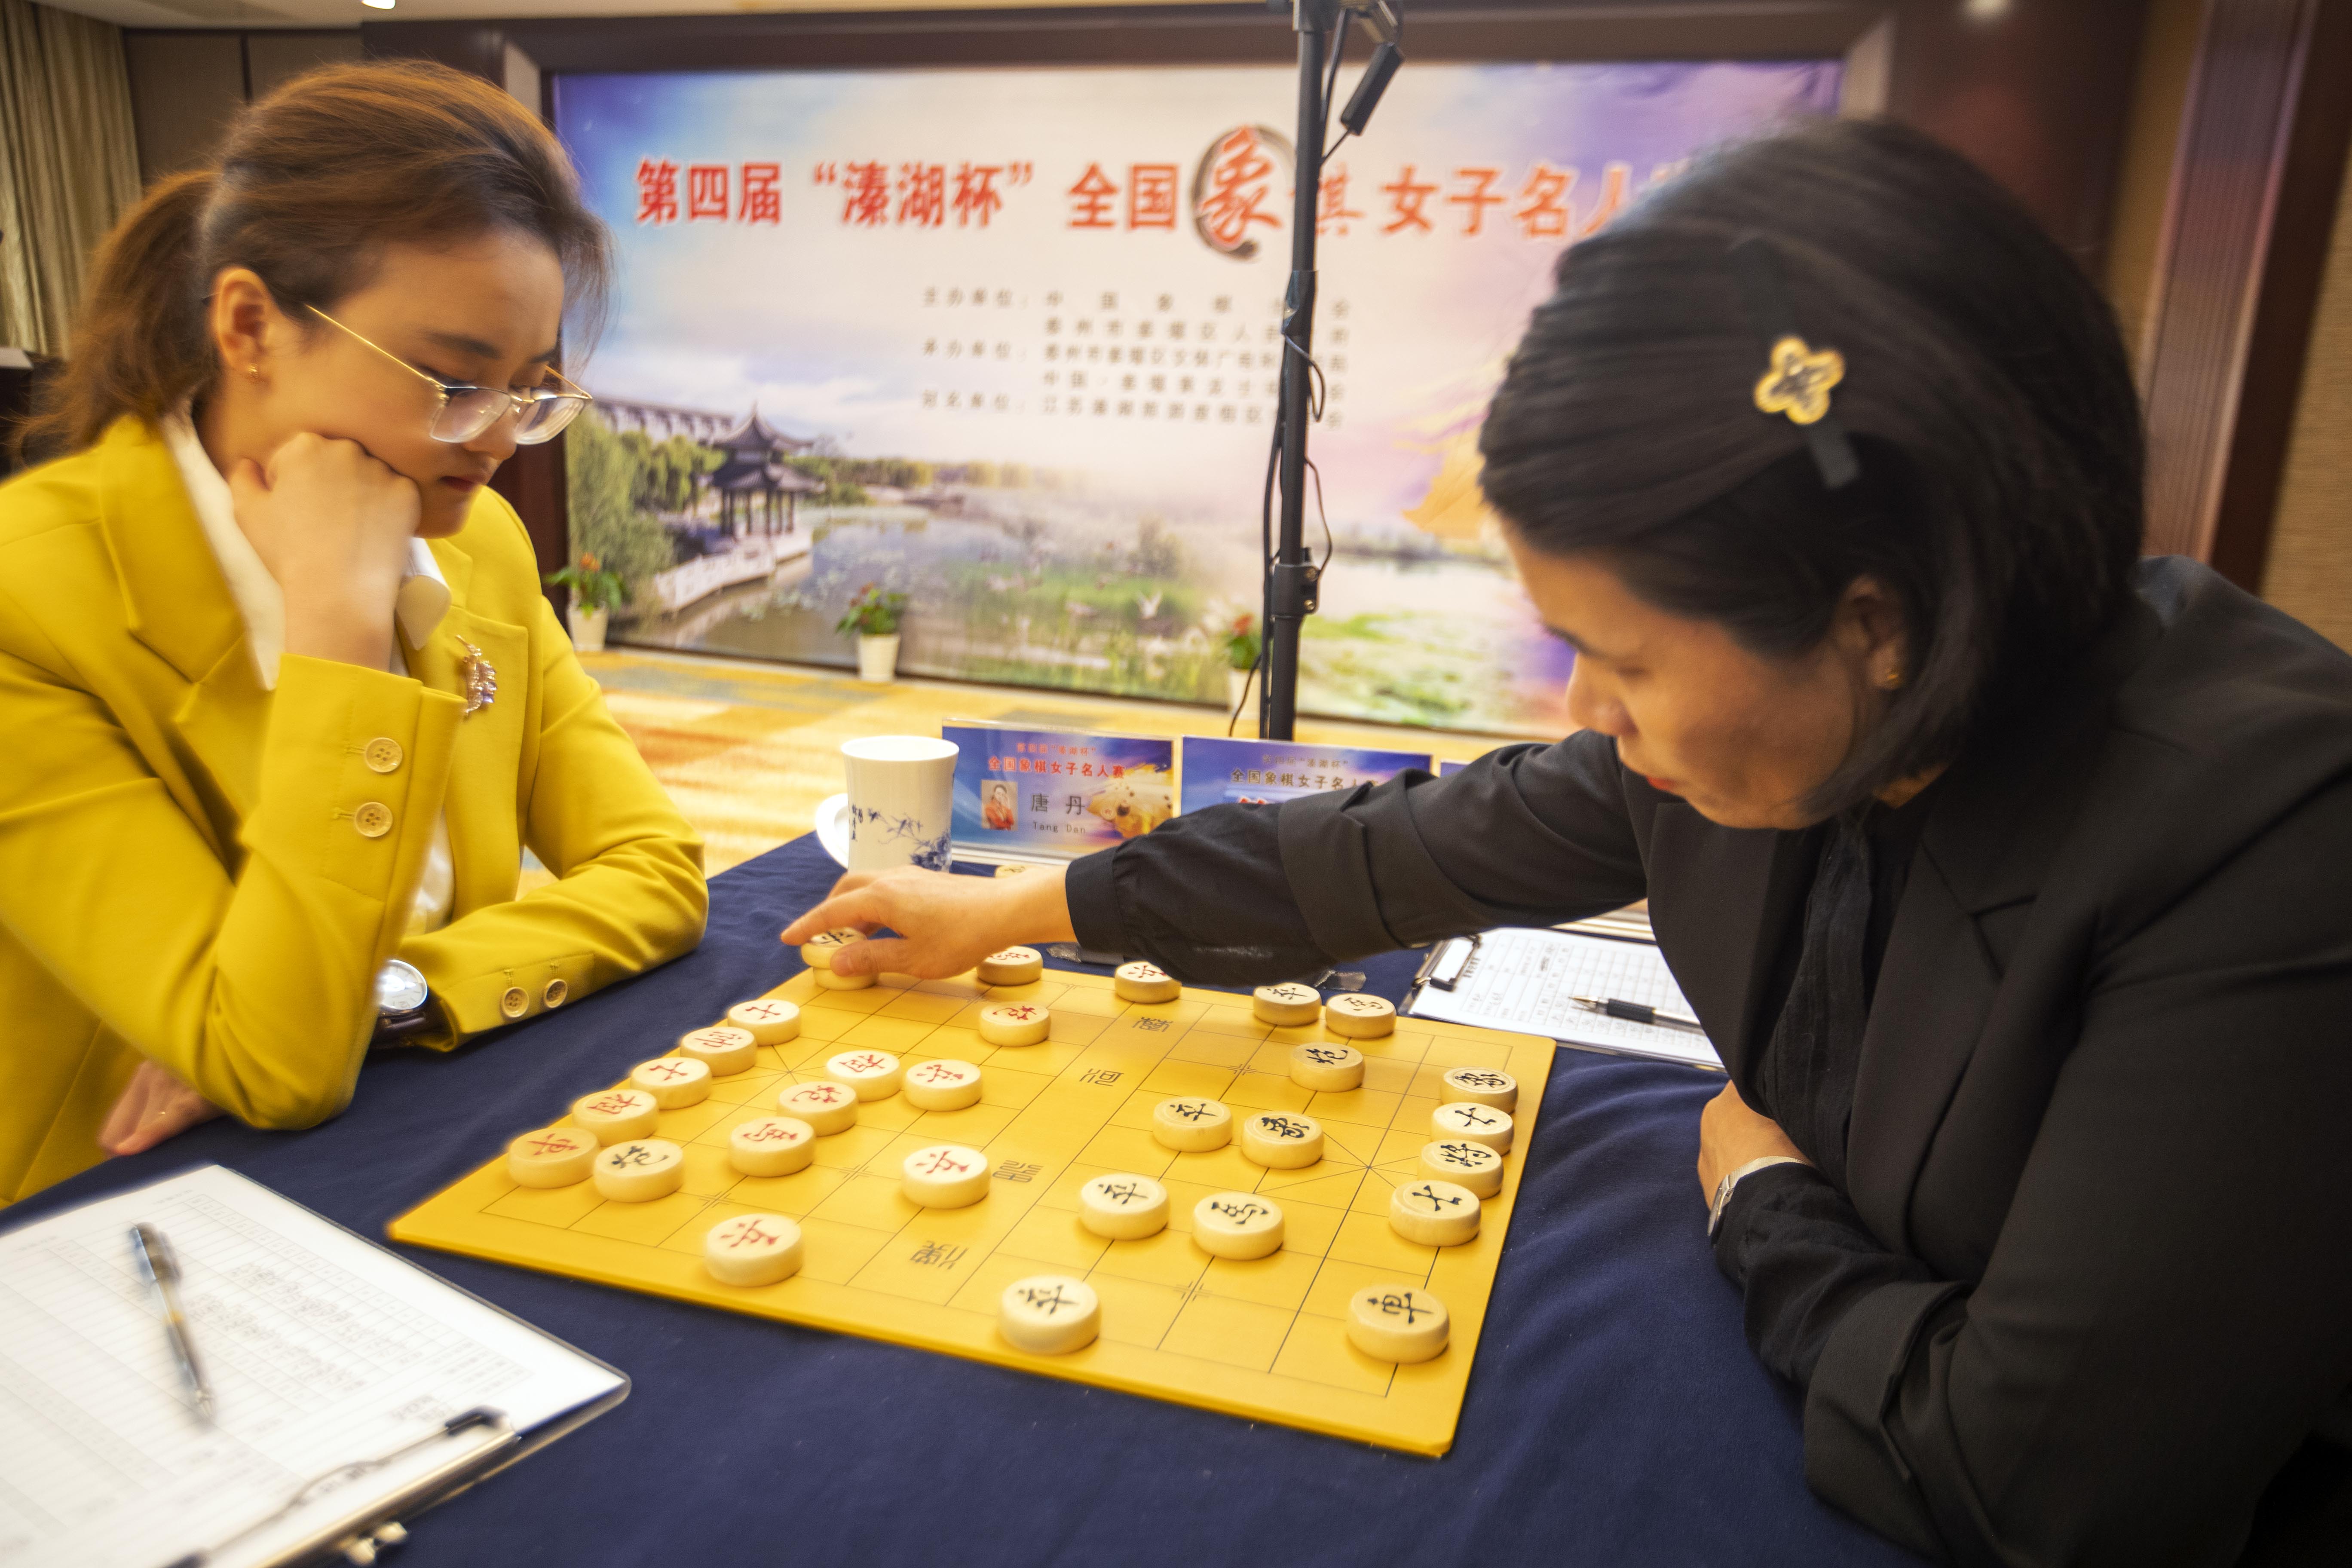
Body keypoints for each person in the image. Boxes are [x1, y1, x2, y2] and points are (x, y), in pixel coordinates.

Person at [784, 120, 2352, 1563]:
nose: (1586, 711)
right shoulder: (1740, 743)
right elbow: (1379, 856)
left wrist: (1768, 1210)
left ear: (1876, 621)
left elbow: (2036, 1484)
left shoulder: (2265, 834)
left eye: (1629, 659)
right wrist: (1016, 908)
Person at [0, 61, 707, 1205]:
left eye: (530, 390)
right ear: (250, 326)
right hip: (124, 1219)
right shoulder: (32, 601)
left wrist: (402, 996)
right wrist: (336, 626)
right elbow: (271, 1063)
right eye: (450, 379)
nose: (496, 443)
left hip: (439, 1137)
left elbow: (657, 873)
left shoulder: (477, 547)